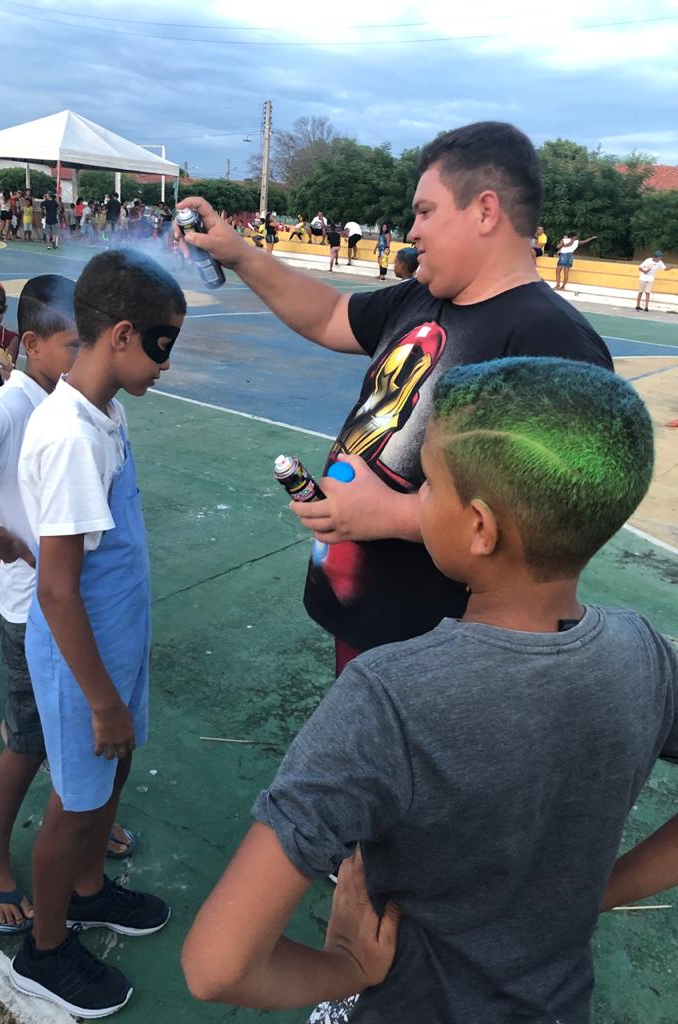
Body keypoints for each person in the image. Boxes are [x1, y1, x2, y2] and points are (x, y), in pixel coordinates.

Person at [182, 356, 676, 1024]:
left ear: (479, 526)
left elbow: (217, 966)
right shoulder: (645, 653)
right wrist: (599, 889)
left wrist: (347, 970)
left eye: (427, 487)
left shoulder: (389, 698)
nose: (414, 501)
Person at [176, 121, 613, 675]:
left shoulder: (552, 341)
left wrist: (396, 514)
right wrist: (238, 254)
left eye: (425, 211)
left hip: (448, 649)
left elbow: (552, 522)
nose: (413, 231)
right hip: (367, 617)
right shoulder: (421, 297)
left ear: (485, 211)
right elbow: (332, 316)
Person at [0, 274, 138, 931]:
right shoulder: (10, 408)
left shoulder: (75, 400)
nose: (86, 358)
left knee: (76, 737)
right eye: (74, 345)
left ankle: (87, 827)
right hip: (32, 609)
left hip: (73, 605)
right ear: (32, 344)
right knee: (31, 742)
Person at [9, 249, 184, 1016]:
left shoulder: (101, 413)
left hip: (113, 648)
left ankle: (87, 891)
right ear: (119, 334)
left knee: (111, 776)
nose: (166, 365)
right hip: (85, 665)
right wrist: (102, 699)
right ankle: (43, 951)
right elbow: (55, 589)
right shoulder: (72, 435)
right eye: (161, 344)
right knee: (74, 803)